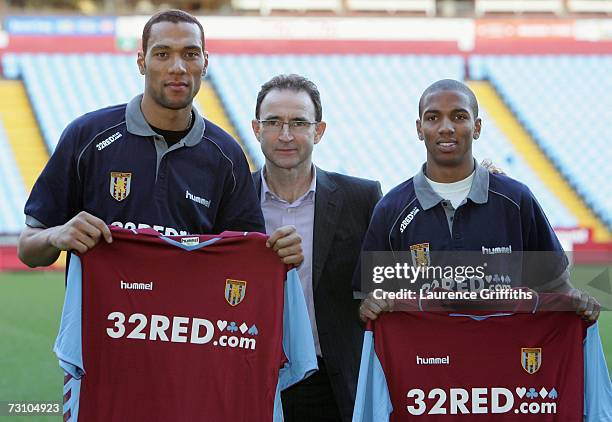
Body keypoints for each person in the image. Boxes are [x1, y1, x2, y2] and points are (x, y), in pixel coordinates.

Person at [17, 10, 302, 268]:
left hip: (183, 325)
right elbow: (28, 248)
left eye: (190, 54)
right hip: (98, 325)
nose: (178, 67)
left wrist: (277, 251)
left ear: (205, 63)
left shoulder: (226, 156)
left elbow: (245, 260)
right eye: (162, 54)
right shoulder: (87, 137)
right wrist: (57, 235)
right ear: (142, 62)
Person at [357, 79, 599, 322]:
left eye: (459, 116)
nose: (446, 127)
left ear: (477, 127)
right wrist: (370, 305)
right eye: (433, 118)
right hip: (425, 358)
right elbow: (370, 301)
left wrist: (581, 305)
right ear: (419, 129)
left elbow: (556, 288)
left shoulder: (516, 200)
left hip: (504, 355)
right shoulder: (391, 209)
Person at [250, 74, 382, 422]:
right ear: (256, 129)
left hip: (335, 385)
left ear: (318, 131)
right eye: (274, 122)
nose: (286, 135)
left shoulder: (361, 199)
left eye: (299, 122)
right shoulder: (232, 201)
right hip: (255, 379)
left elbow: (397, 272)